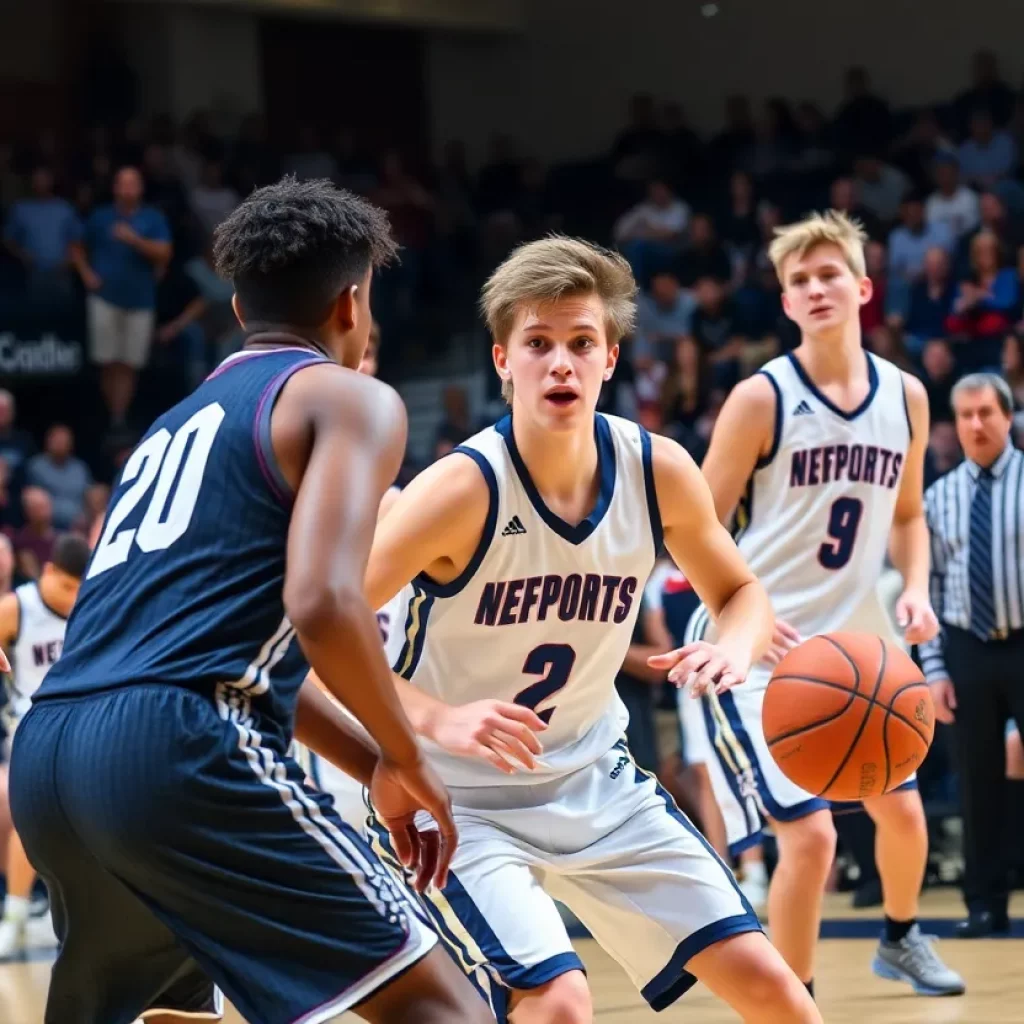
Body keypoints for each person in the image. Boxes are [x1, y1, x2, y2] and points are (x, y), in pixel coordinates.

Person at [8, 177, 491, 1024]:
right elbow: (323, 603)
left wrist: (370, 763)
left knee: (168, 1014)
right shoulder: (348, 397)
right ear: (351, 304)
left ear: (236, 307)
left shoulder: (168, 426)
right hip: (177, 748)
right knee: (444, 1009)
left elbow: (231, 647)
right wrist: (406, 751)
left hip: (53, 757)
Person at [360, 236, 820, 1023]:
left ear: (611, 360)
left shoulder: (658, 469)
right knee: (561, 1002)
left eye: (581, 344)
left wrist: (730, 647)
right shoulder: (458, 490)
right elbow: (311, 630)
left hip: (594, 777)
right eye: (538, 344)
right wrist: (438, 718)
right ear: (503, 359)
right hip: (456, 798)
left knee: (777, 990)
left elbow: (743, 591)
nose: (561, 364)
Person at [684, 211, 964, 999]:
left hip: (858, 651)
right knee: (807, 840)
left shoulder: (906, 396)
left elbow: (907, 517)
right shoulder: (760, 397)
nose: (814, 288)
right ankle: (794, 1000)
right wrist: (751, 618)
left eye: (827, 273)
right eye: (797, 280)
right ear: (784, 301)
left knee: (904, 819)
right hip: (757, 653)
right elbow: (693, 526)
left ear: (863, 287)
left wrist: (912, 587)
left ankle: (903, 938)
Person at [920, 373, 1024, 937]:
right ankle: (985, 904)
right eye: (966, 415)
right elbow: (929, 591)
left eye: (986, 412)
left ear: (1008, 417)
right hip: (967, 645)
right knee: (976, 779)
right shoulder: (939, 497)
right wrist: (934, 669)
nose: (976, 424)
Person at [0, 534, 90, 960]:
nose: (73, 599)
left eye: (81, 589)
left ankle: (75, 919)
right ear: (49, 571)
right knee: (28, 824)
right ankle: (14, 918)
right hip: (30, 731)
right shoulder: (18, 607)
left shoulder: (92, 610)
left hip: (83, 730)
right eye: (68, 588)